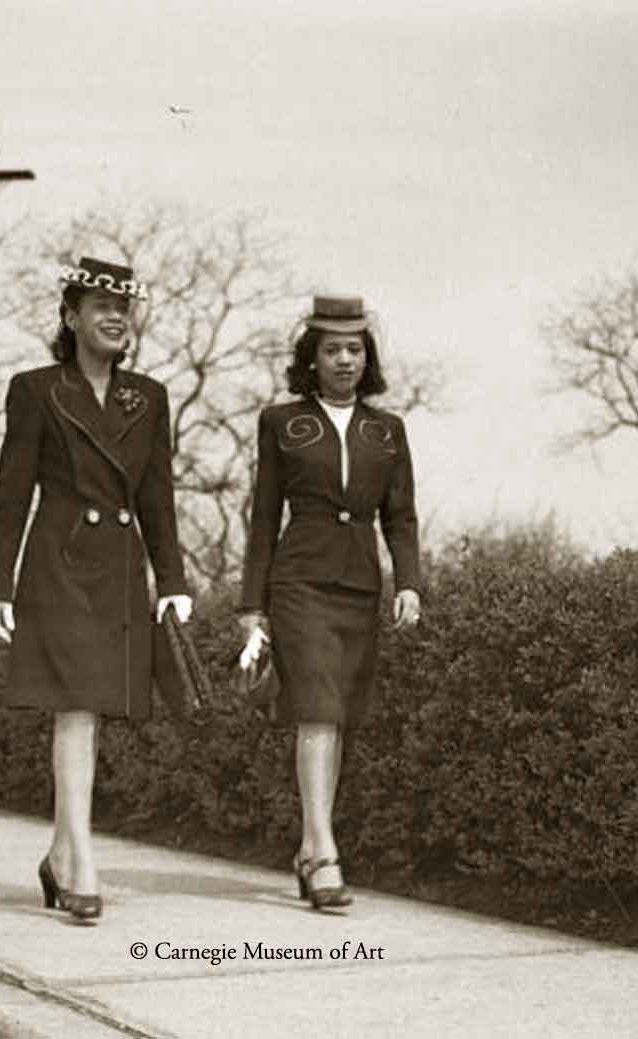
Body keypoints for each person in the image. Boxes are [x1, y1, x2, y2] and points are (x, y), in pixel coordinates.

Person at [0, 256, 191, 924]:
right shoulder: (35, 389)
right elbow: (12, 493)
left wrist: (173, 579)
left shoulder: (148, 398)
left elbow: (159, 495)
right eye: (99, 305)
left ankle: (58, 850)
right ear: (70, 316)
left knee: (93, 711)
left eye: (123, 308)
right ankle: (79, 861)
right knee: (75, 708)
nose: (114, 318)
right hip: (60, 564)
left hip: (122, 569)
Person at [238, 294, 421, 911]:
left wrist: (411, 583)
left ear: (367, 357)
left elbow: (402, 517)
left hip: (361, 586)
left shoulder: (386, 430)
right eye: (332, 349)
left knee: (337, 716)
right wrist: (251, 605)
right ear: (310, 358)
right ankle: (321, 852)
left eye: (354, 349)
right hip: (299, 583)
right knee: (316, 708)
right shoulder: (283, 422)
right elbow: (263, 517)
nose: (344, 359)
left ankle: (312, 845)